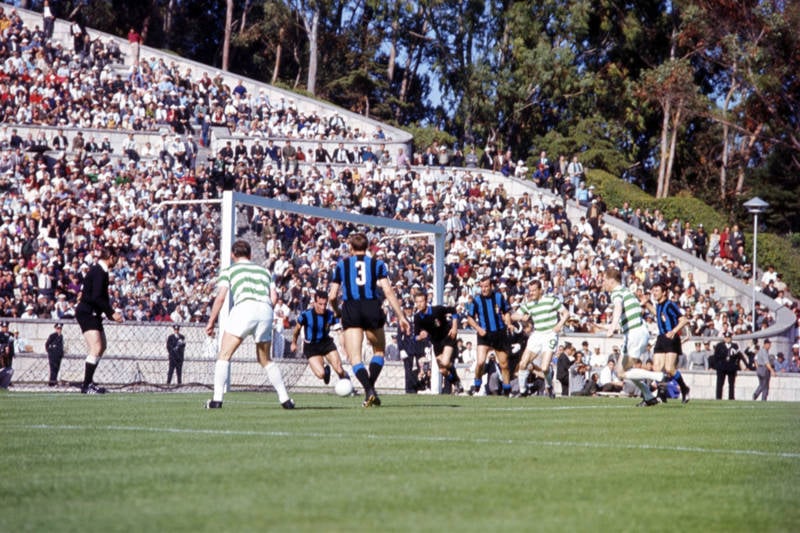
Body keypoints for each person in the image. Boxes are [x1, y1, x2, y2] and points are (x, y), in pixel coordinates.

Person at [205, 240, 294, 409]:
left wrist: (211, 322)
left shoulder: (229, 270)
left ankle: (217, 400)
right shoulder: (264, 271)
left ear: (233, 255)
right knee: (265, 359)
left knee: (224, 355)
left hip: (244, 308)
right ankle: (285, 399)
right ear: (250, 255)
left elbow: (221, 297)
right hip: (266, 310)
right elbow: (274, 297)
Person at [327, 232, 410, 407]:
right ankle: (370, 388)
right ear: (367, 248)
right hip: (372, 306)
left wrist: (337, 312)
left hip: (351, 308)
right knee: (379, 352)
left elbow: (332, 296)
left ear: (350, 247)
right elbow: (388, 291)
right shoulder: (377, 264)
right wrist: (401, 316)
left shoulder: (342, 265)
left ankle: (368, 390)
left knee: (355, 358)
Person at [596, 267, 664, 407]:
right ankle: (648, 396)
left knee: (621, 372)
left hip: (635, 334)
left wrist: (613, 326)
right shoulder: (626, 291)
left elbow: (618, 307)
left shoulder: (616, 293)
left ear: (611, 280)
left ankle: (656, 376)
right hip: (636, 332)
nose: (603, 283)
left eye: (604, 280)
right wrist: (605, 327)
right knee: (623, 371)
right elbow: (626, 317)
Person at [75, 247, 124, 394]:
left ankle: (89, 382)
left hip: (94, 313)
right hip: (87, 312)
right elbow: (96, 297)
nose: (117, 261)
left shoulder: (101, 272)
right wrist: (111, 312)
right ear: (111, 257)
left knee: (101, 347)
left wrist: (109, 315)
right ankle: (86, 385)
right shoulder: (98, 272)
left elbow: (100, 297)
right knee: (96, 348)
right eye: (116, 258)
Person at [510, 279, 570, 397]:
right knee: (523, 363)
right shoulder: (529, 304)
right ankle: (523, 391)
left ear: (540, 291)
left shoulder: (551, 300)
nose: (531, 293)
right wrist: (522, 318)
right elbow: (513, 315)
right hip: (537, 334)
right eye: (530, 290)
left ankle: (549, 386)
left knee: (544, 367)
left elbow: (566, 313)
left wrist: (559, 324)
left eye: (533, 291)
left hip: (550, 334)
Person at [641, 282, 691, 402]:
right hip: (661, 337)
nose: (654, 293)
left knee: (669, 369)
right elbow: (656, 314)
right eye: (653, 291)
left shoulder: (670, 305)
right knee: (657, 367)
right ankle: (661, 393)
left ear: (664, 292)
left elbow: (684, 320)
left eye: (657, 290)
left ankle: (684, 388)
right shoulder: (658, 305)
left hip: (671, 338)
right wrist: (646, 304)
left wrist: (674, 331)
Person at [290, 291, 350, 388]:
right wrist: (293, 343)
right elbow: (297, 329)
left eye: (325, 304)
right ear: (314, 303)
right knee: (321, 374)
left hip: (326, 344)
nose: (323, 307)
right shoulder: (306, 315)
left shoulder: (331, 315)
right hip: (311, 347)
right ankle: (326, 370)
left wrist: (343, 347)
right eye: (320, 304)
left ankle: (349, 386)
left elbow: (340, 332)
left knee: (339, 370)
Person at [465, 276, 513, 395]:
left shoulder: (498, 297)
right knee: (480, 362)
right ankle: (477, 382)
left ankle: (507, 389)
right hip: (484, 334)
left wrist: (509, 323)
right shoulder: (477, 300)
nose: (484, 289)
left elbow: (506, 312)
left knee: (504, 364)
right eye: (482, 287)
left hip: (499, 334)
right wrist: (478, 328)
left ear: (491, 286)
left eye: (486, 286)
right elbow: (469, 318)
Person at [413, 292, 464, 394]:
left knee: (445, 362)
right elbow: (415, 336)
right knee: (442, 370)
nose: (419, 304)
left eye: (421, 301)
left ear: (426, 301)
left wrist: (454, 327)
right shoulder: (417, 317)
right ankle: (456, 383)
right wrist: (420, 336)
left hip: (448, 336)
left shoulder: (437, 310)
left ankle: (457, 381)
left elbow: (453, 310)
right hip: (436, 343)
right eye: (417, 302)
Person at [397, 302, 427, 394]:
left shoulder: (417, 319)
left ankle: (420, 386)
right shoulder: (402, 321)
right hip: (408, 348)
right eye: (406, 309)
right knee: (408, 370)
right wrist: (401, 349)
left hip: (418, 348)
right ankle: (409, 389)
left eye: (409, 309)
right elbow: (399, 336)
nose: (408, 311)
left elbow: (423, 333)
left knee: (421, 368)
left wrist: (425, 345)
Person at [711, 332, 744, 400]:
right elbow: (716, 357)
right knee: (720, 383)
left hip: (731, 367)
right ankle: (718, 397)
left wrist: (737, 366)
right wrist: (715, 366)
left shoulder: (735, 346)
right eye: (726, 338)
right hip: (721, 367)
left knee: (731, 384)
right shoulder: (719, 345)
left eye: (729, 338)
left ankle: (731, 397)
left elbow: (738, 357)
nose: (727, 339)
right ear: (724, 338)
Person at [0, 321, 13, 389]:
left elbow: (11, 345)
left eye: (6, 327)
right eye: (3, 327)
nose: (5, 328)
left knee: (9, 370)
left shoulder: (10, 335)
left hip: (7, 356)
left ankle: (3, 387)